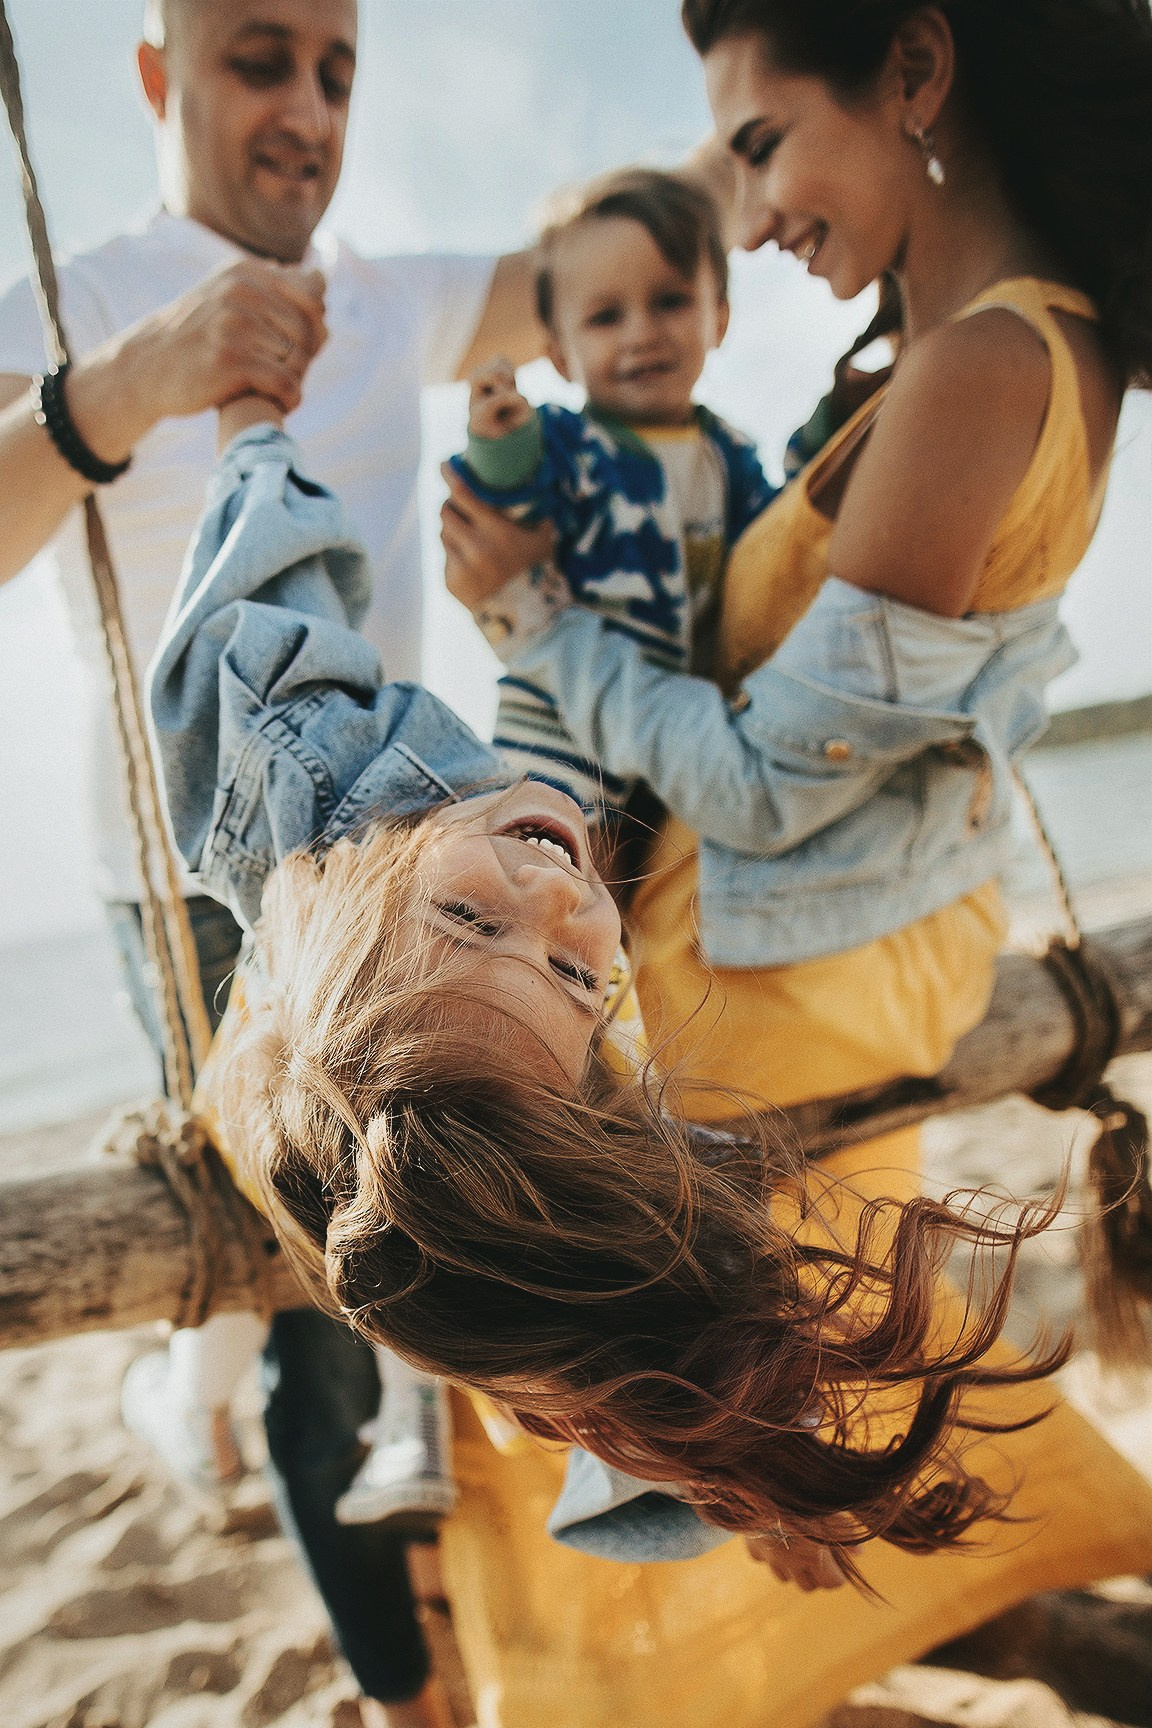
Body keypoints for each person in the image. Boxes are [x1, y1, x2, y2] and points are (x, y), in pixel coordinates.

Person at [427, 0, 1152, 1721]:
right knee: (788, 1359)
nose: (747, 218)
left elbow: (759, 788)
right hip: (819, 956)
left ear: (917, 73)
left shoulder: (983, 370)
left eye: (761, 147)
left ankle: (781, 1664)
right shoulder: (986, 349)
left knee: (543, 1318)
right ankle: (962, 1633)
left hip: (771, 984)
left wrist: (530, 616)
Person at [154, 385, 1062, 1580]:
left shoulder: (318, 771)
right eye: (578, 972)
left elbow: (255, 607)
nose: (561, 902)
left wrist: (255, 429)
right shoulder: (554, 1061)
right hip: (381, 1132)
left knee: (548, 1286)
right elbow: (636, 1233)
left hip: (328, 1070)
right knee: (603, 1274)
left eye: (472, 918)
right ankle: (676, 1455)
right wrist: (767, 1457)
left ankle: (629, 1452)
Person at [0, 3, 541, 1722]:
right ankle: (400, 1690)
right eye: (258, 60)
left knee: (444, 1253)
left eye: (337, 69)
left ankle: (208, 1398)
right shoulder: (75, 299)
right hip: (187, 898)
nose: (308, 108)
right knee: (324, 1295)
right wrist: (130, 382)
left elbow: (617, 257)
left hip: (389, 863)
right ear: (154, 77)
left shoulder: (390, 293)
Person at [450, 167, 776, 818]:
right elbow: (515, 513)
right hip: (560, 730)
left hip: (673, 728)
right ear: (560, 355)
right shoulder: (570, 445)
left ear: (719, 315)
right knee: (548, 856)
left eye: (670, 301)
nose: (640, 333)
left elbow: (778, 539)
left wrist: (829, 430)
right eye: (605, 316)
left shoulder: (729, 456)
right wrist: (503, 446)